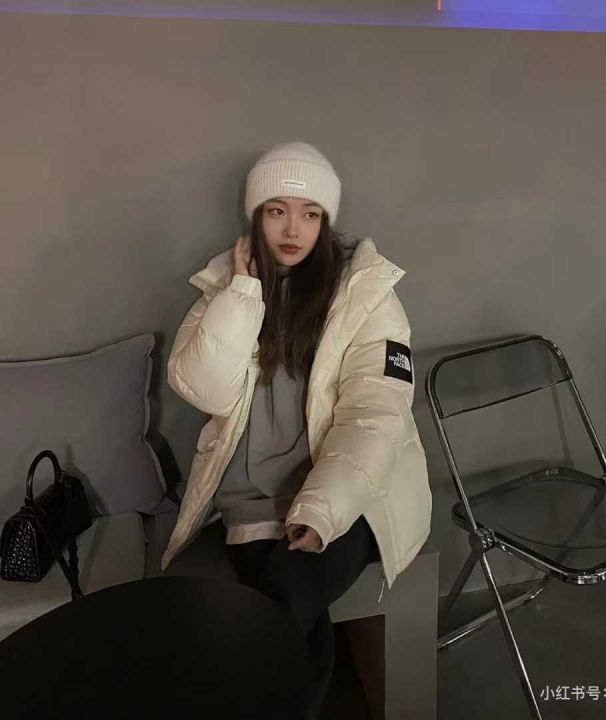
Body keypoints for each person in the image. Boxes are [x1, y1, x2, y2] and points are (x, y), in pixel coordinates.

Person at [161, 141, 432, 717]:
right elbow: (204, 390)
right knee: (281, 620)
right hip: (252, 499)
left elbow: (377, 413)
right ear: (255, 217)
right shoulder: (224, 286)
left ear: (326, 221)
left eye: (310, 214)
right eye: (277, 210)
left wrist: (323, 508)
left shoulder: (366, 295)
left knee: (280, 605)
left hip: (356, 494)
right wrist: (242, 295)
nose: (293, 229)